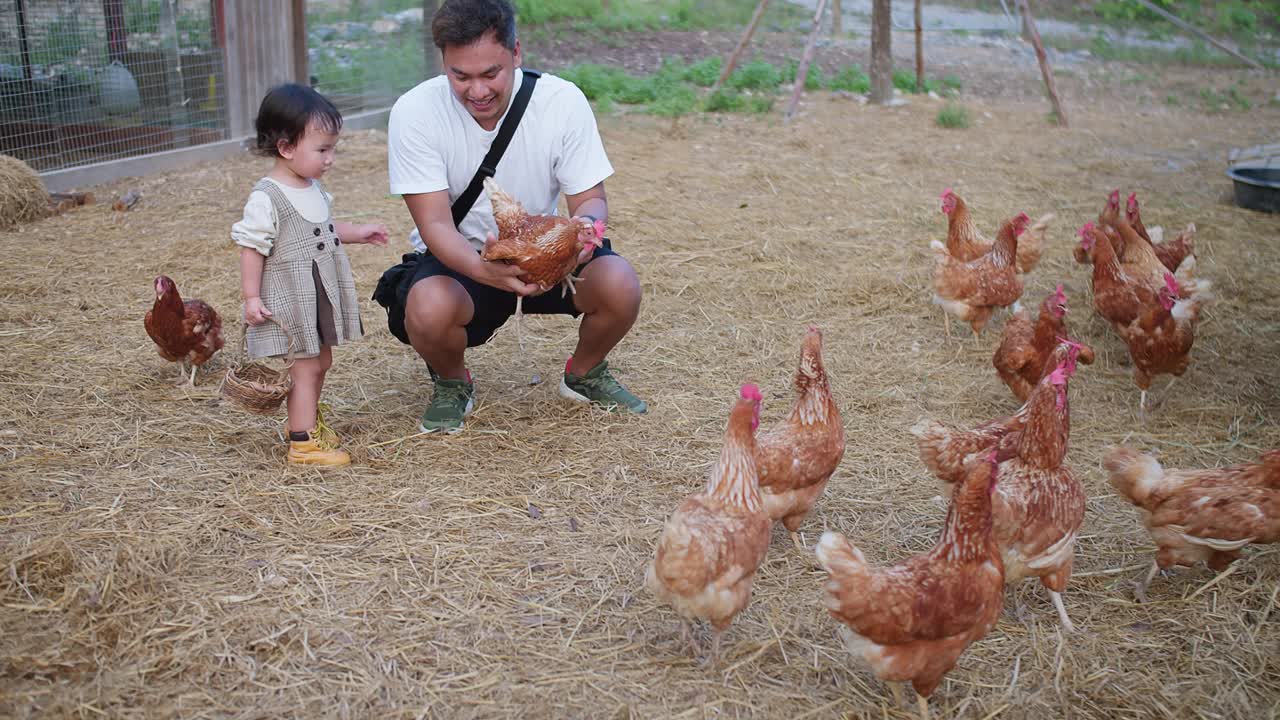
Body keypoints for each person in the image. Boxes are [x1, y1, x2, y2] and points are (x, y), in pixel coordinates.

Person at [379, 0, 645, 434]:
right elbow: (435, 226)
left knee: (620, 285)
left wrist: (583, 239)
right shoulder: (414, 112)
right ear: (442, 60)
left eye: (491, 73)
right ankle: (451, 382)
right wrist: (487, 271)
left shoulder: (562, 101)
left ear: (516, 53)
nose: (477, 91)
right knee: (426, 307)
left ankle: (583, 374)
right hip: (464, 257)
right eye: (460, 76)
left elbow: (591, 200)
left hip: (552, 251)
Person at [232, 84, 389, 466]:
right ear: (286, 148)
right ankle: (301, 442)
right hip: (291, 295)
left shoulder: (313, 187)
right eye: (323, 149)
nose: (330, 158)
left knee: (321, 363)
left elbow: (323, 228)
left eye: (332, 148)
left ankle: (306, 422)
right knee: (304, 368)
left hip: (317, 291)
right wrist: (251, 297)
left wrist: (358, 233)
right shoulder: (267, 197)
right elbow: (252, 248)